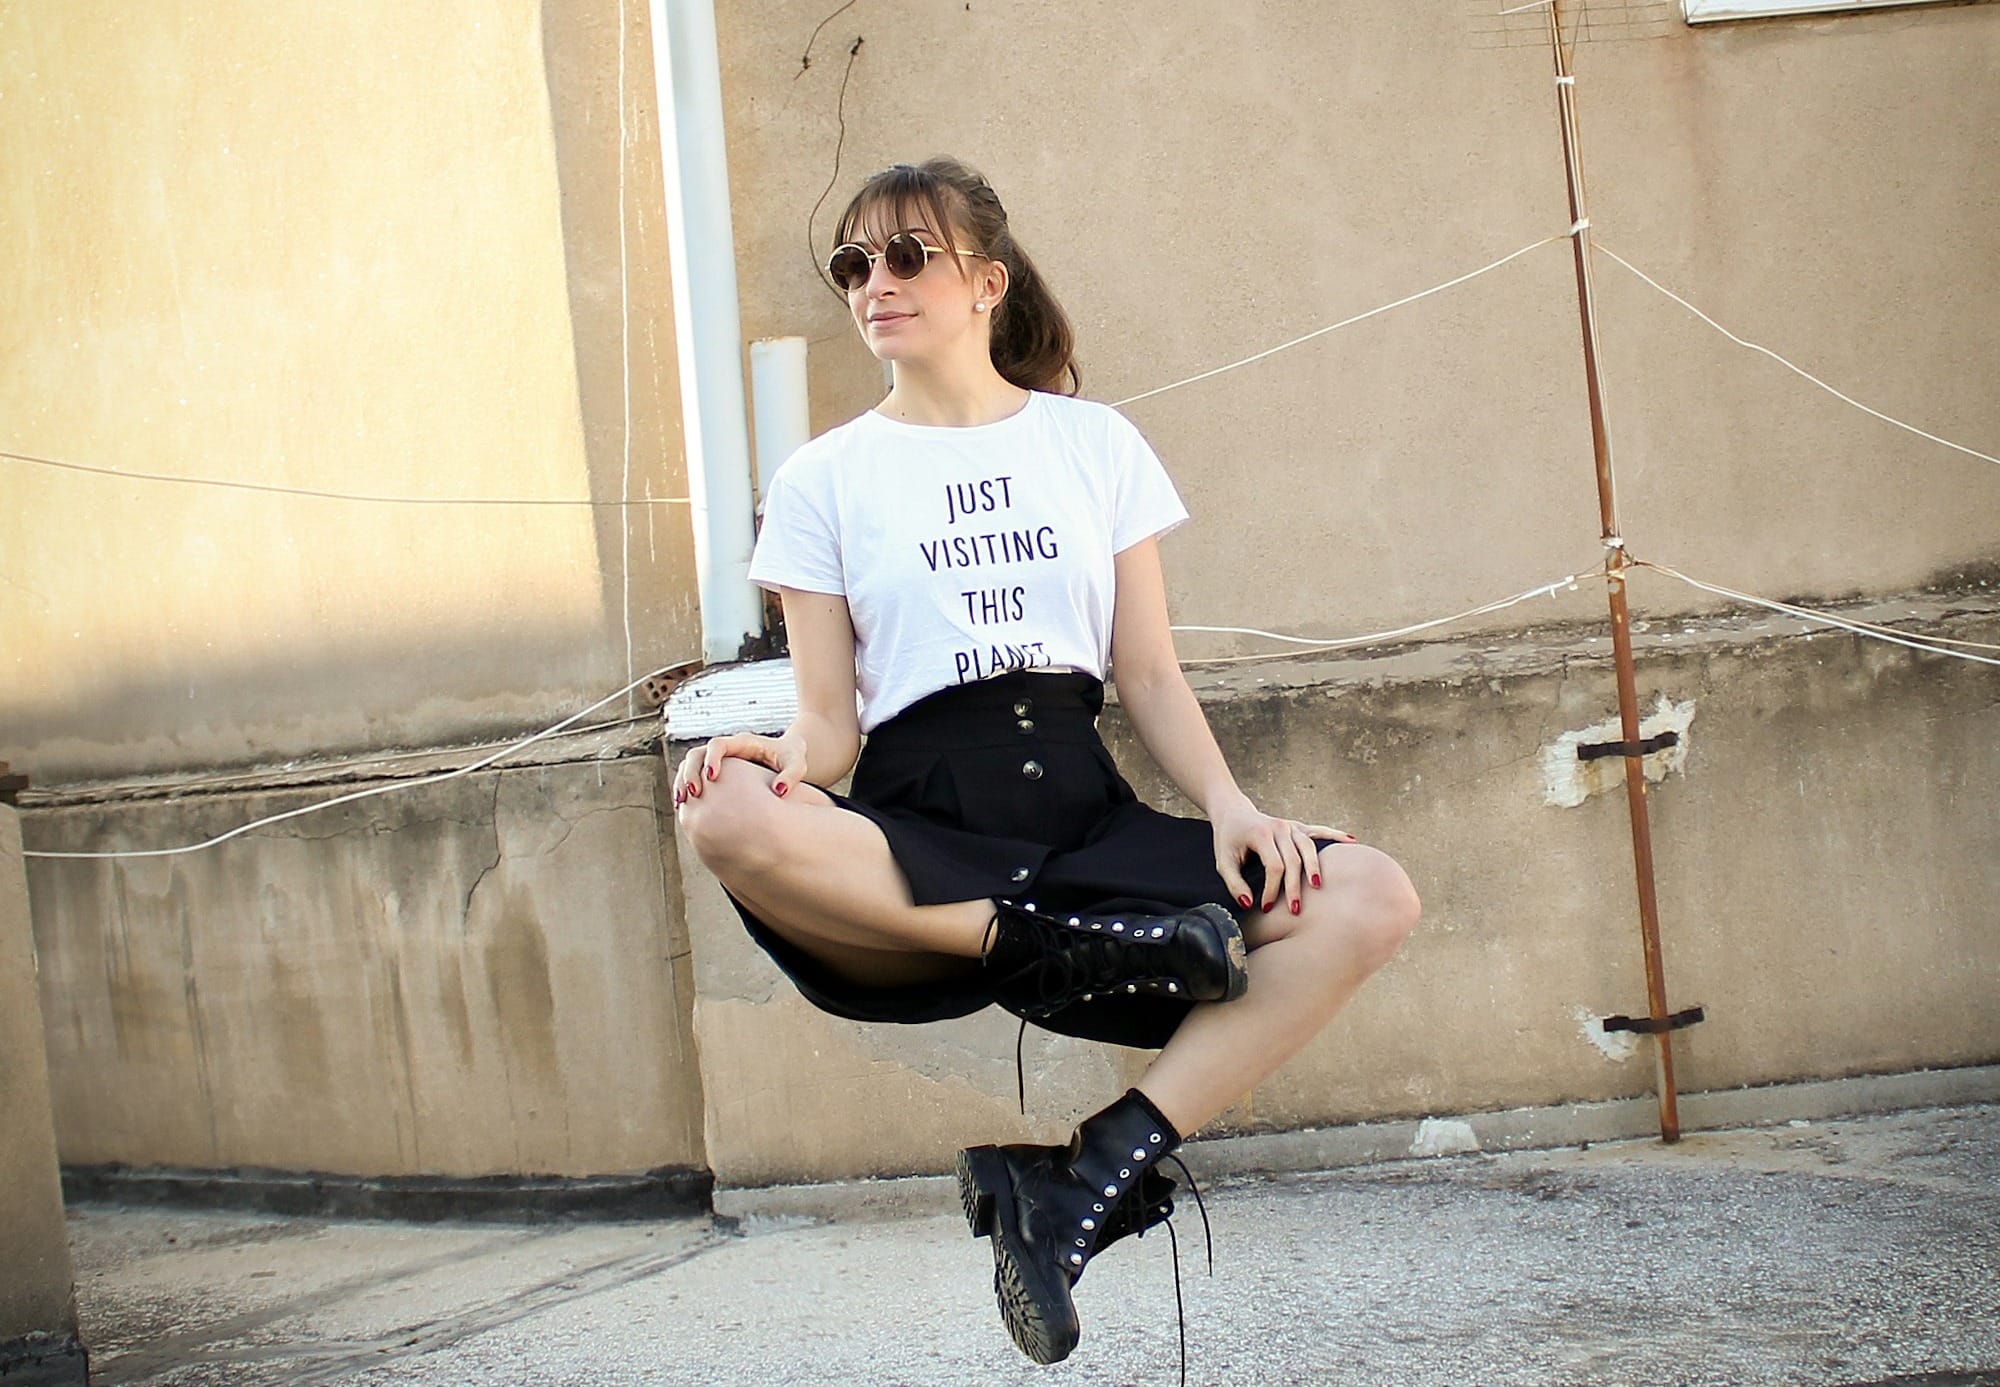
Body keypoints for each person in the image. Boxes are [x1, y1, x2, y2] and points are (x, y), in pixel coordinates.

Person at [673, 156, 1421, 1368]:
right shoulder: (821, 480)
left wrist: (1230, 807)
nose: (875, 283)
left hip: (1080, 808)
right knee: (722, 817)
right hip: (919, 824)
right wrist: (774, 757)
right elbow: (830, 731)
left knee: (1371, 892)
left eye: (906, 256)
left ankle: (1078, 1180)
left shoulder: (1093, 444)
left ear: (984, 281)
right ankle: (1054, 946)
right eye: (853, 265)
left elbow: (1150, 673)